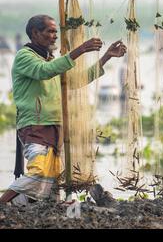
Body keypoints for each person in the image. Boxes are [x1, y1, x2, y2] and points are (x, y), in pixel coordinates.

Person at [0, 14, 127, 204]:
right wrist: (81, 49)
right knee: (39, 171)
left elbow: (76, 80)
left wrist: (106, 57)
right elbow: (44, 71)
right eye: (49, 31)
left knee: (50, 177)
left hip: (54, 125)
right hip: (35, 124)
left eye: (55, 31)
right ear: (35, 33)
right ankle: (2, 204)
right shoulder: (24, 57)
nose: (54, 36)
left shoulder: (50, 60)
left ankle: (37, 206)